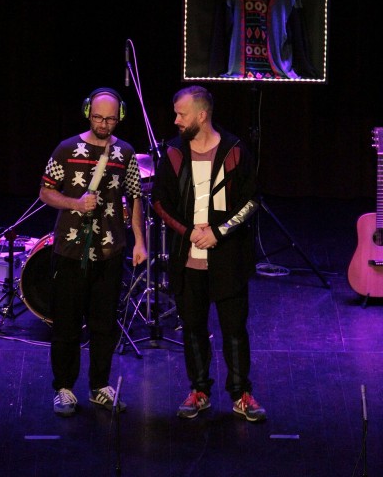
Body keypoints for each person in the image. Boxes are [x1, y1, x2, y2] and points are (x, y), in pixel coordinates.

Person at [151, 85, 266, 422]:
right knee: (192, 328)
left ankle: (241, 394)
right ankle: (199, 390)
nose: (176, 120)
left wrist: (218, 231)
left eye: (181, 114)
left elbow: (252, 200)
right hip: (187, 260)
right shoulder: (173, 153)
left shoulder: (235, 151)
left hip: (228, 258)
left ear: (201, 115)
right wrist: (189, 233)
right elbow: (159, 202)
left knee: (234, 329)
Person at [39, 87, 147, 417]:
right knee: (67, 323)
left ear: (120, 117)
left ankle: (99, 385)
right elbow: (45, 191)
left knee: (104, 324)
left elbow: (135, 197)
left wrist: (139, 241)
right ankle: (64, 387)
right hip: (71, 250)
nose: (104, 124)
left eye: (110, 119)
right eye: (98, 117)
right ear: (88, 112)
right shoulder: (66, 149)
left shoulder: (125, 153)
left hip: (110, 249)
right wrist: (75, 203)